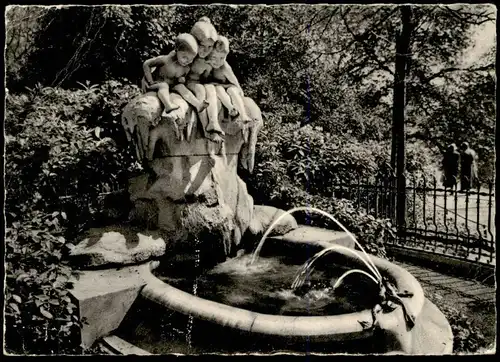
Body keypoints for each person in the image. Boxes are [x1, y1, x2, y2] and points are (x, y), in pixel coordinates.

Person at [142, 33, 200, 118]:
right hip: (155, 84)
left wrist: (181, 79)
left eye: (191, 59)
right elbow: (146, 64)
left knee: (181, 87)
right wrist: (149, 80)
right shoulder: (166, 60)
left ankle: (197, 104)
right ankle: (168, 105)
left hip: (170, 85)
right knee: (163, 85)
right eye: (184, 57)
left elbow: (180, 77)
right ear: (176, 50)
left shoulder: (186, 67)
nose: (187, 61)